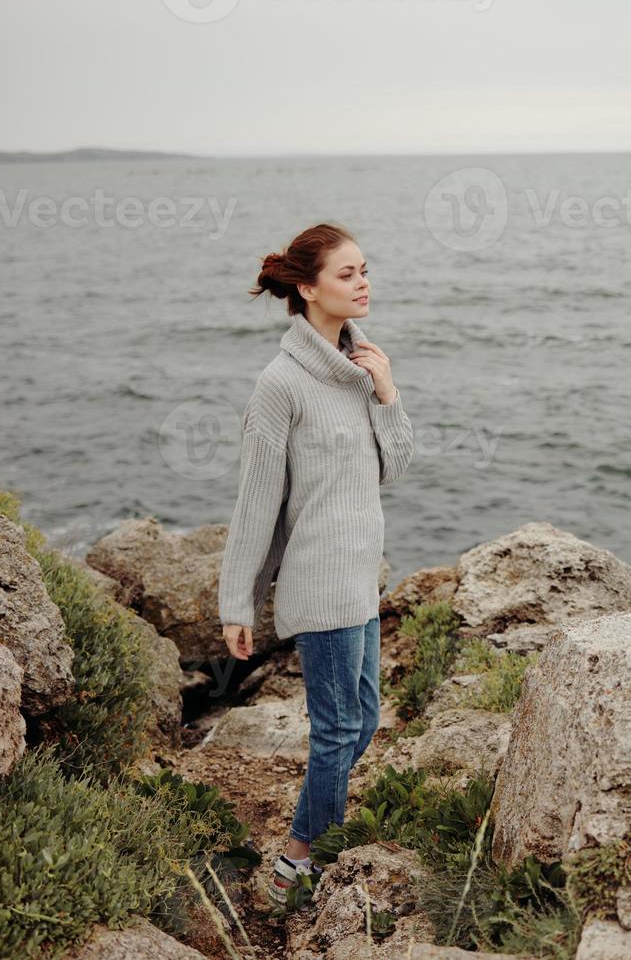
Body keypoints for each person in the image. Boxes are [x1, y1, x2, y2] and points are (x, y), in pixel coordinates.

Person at [216, 222, 415, 906]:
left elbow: (396, 467)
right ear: (306, 288)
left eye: (365, 270)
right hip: (318, 582)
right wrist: (237, 603)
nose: (363, 283)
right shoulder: (280, 385)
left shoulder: (361, 366)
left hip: (361, 578)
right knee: (336, 731)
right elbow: (256, 505)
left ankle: (304, 843)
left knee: (362, 723)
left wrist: (388, 393)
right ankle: (303, 865)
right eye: (347, 274)